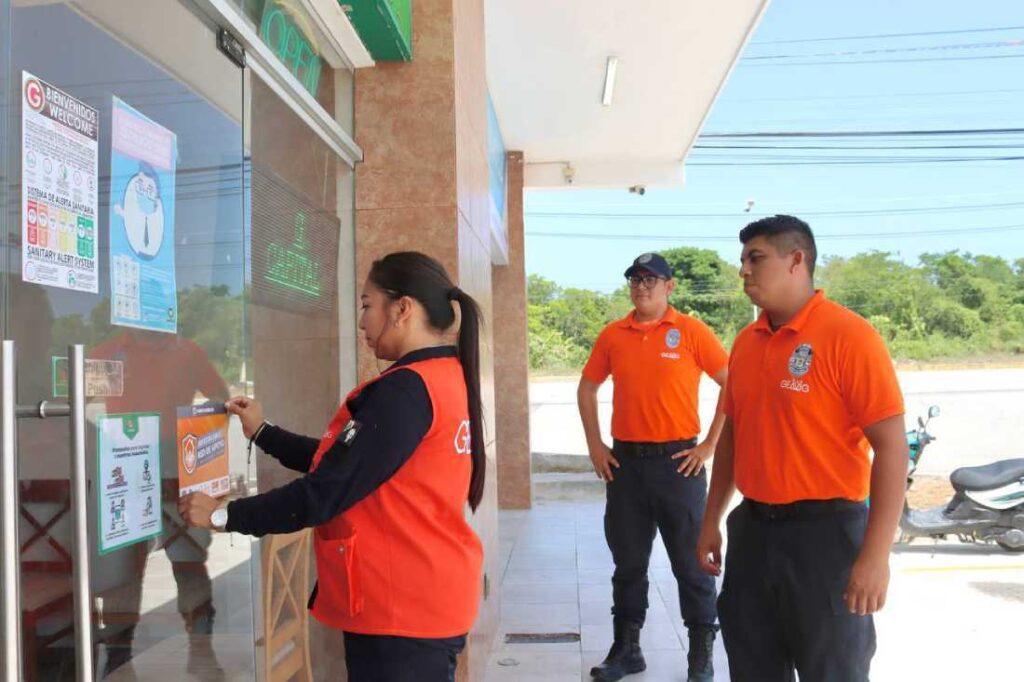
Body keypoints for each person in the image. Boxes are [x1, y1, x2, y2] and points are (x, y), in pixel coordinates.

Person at [178, 251, 485, 682]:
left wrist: (223, 515)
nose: (361, 321)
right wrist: (263, 432)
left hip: (402, 612)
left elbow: (324, 492)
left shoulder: (406, 391)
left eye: (366, 305)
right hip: (429, 595)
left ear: (401, 309)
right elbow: (352, 463)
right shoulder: (447, 375)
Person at [696, 215, 908, 681]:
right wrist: (712, 518)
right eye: (742, 261)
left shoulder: (849, 336)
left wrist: (875, 558)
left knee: (832, 669)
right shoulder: (746, 343)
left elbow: (892, 448)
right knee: (752, 664)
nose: (744, 272)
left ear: (797, 260)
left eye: (756, 258)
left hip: (827, 537)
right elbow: (733, 434)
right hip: (754, 532)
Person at [577, 252, 728, 682]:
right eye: (635, 280)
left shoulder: (692, 331)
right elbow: (587, 388)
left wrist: (709, 446)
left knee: (691, 564)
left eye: (651, 279)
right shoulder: (613, 335)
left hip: (679, 465)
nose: (641, 286)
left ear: (669, 287)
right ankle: (627, 650)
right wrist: (594, 445)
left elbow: (731, 384)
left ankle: (700, 657)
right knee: (628, 564)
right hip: (625, 466)